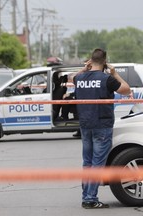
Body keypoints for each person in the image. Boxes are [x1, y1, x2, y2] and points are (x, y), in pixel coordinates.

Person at [73, 49, 131, 209]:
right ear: (105, 61)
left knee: (87, 162)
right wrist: (115, 73)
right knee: (98, 163)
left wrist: (85, 69)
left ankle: (86, 196)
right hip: (102, 125)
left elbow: (73, 78)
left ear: (90, 61)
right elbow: (127, 90)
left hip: (85, 125)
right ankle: (90, 199)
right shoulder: (107, 79)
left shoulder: (80, 78)